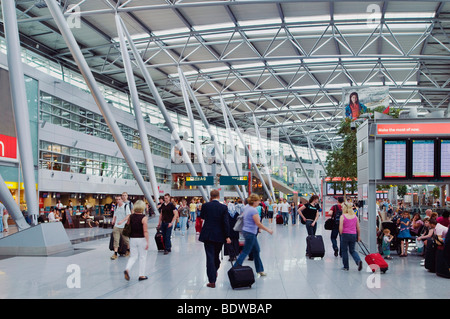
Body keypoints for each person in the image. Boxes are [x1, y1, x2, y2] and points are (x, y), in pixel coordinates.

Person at [234, 194, 273, 277]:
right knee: (245, 251)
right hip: (250, 233)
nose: (259, 202)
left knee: (256, 251)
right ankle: (235, 267)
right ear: (254, 201)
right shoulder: (253, 210)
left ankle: (260, 270)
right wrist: (268, 230)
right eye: (258, 200)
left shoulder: (247, 208)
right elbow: (258, 223)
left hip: (246, 231)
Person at [198, 189, 231, 288]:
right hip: (219, 236)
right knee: (216, 255)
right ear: (219, 196)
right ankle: (215, 269)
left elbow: (202, 217)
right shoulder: (223, 207)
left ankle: (212, 280)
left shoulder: (205, 206)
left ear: (210, 196)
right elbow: (226, 223)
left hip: (207, 235)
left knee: (210, 256)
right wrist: (227, 236)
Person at [121, 200, 149, 281]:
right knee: (142, 257)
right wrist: (147, 242)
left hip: (132, 239)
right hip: (142, 239)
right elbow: (145, 231)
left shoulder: (131, 217)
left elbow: (128, 225)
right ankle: (141, 275)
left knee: (133, 256)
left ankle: (127, 269)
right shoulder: (144, 218)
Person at [339, 201, 363, 271]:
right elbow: (358, 227)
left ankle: (346, 266)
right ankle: (358, 261)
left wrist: (341, 233)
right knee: (352, 250)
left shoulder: (342, 216)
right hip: (353, 235)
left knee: (344, 250)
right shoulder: (355, 217)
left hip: (345, 234)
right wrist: (358, 236)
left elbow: (341, 227)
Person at [111, 195, 131, 260]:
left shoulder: (125, 206)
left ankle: (128, 250)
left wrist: (122, 221)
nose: (118, 201)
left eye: (119, 199)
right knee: (116, 240)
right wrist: (113, 220)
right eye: (116, 199)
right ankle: (115, 253)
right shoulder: (116, 206)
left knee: (126, 240)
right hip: (116, 226)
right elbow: (115, 214)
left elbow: (128, 215)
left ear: (122, 200)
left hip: (123, 226)